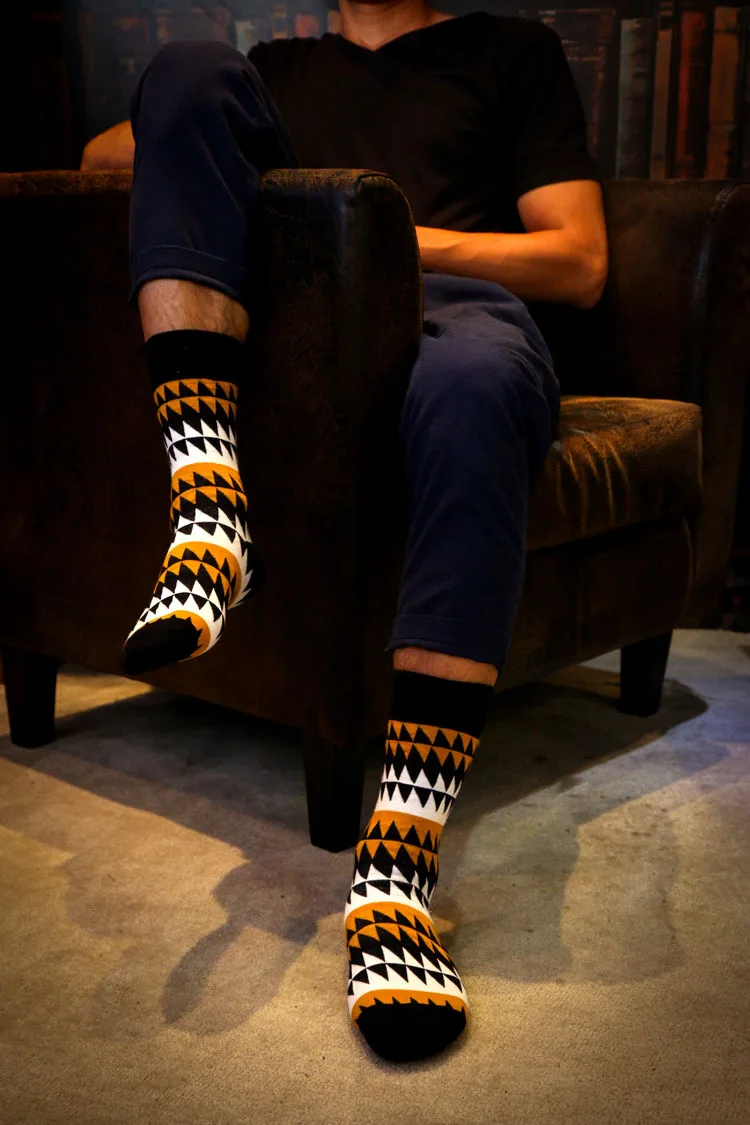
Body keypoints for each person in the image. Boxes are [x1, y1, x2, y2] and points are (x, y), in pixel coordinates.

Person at [81, 0, 608, 1063]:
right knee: (185, 69)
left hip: (457, 314)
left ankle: (397, 872)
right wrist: (191, 128)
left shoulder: (511, 51)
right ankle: (210, 509)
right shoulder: (270, 71)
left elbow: (580, 260)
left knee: (473, 391)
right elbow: (102, 159)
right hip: (301, 332)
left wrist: (388, 235)